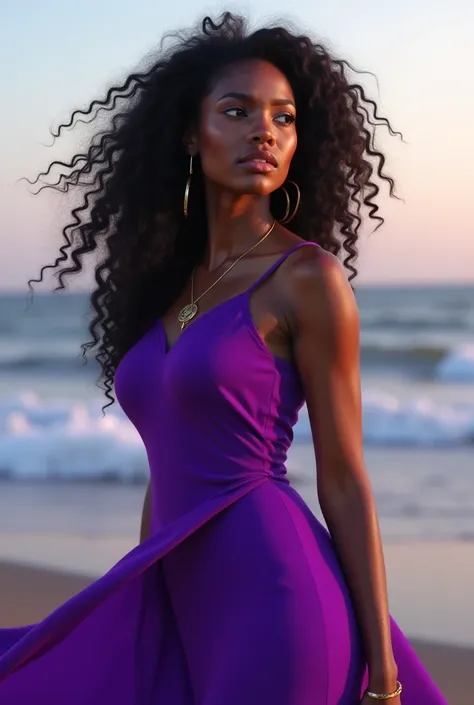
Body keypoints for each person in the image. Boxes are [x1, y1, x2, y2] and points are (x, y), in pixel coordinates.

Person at [0, 12, 448, 705]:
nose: (263, 131)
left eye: (283, 117)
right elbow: (169, 463)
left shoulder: (307, 278)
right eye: (236, 111)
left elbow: (345, 479)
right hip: (181, 598)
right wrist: (144, 590)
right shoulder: (170, 289)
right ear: (191, 133)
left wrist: (384, 677)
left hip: (278, 595)